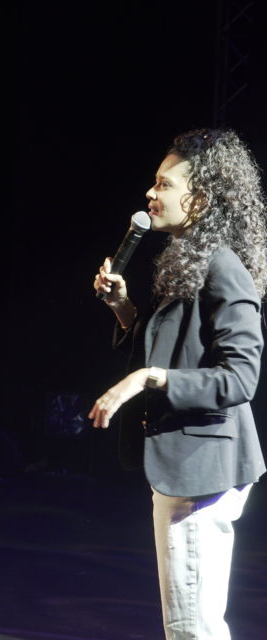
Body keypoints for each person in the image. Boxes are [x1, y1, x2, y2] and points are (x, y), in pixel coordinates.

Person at [89, 128, 267, 640]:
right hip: (190, 460)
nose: (151, 193)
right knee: (192, 623)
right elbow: (171, 349)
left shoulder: (223, 268)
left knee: (192, 627)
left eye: (164, 184)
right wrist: (123, 307)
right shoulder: (189, 261)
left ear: (200, 199)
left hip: (202, 466)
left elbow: (239, 377)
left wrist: (147, 378)